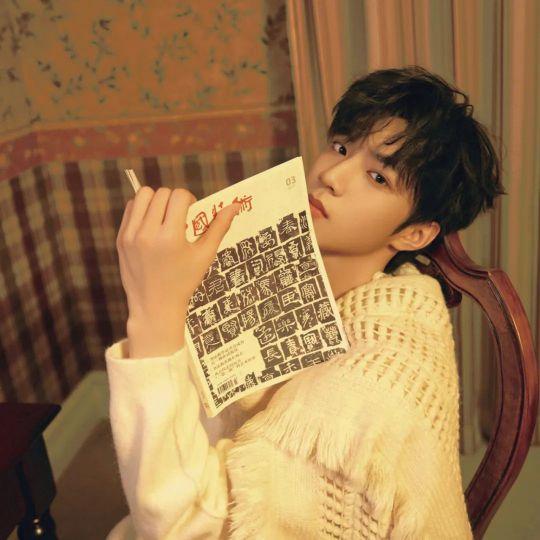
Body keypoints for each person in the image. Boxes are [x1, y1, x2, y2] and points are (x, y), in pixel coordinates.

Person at [104, 65, 506, 539]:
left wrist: (154, 314)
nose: (330, 175)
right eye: (340, 147)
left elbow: (185, 529)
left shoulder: (375, 386)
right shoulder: (277, 270)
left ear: (414, 234)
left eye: (378, 177)